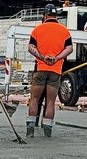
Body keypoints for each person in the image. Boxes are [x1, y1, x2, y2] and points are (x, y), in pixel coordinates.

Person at [25, 7, 73, 138]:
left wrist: (42, 58)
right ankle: (47, 131)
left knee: (34, 99)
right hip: (55, 71)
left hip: (40, 69)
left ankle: (30, 131)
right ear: (55, 16)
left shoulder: (37, 29)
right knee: (50, 102)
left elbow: (30, 47)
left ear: (45, 16)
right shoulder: (64, 31)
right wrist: (57, 58)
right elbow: (70, 48)